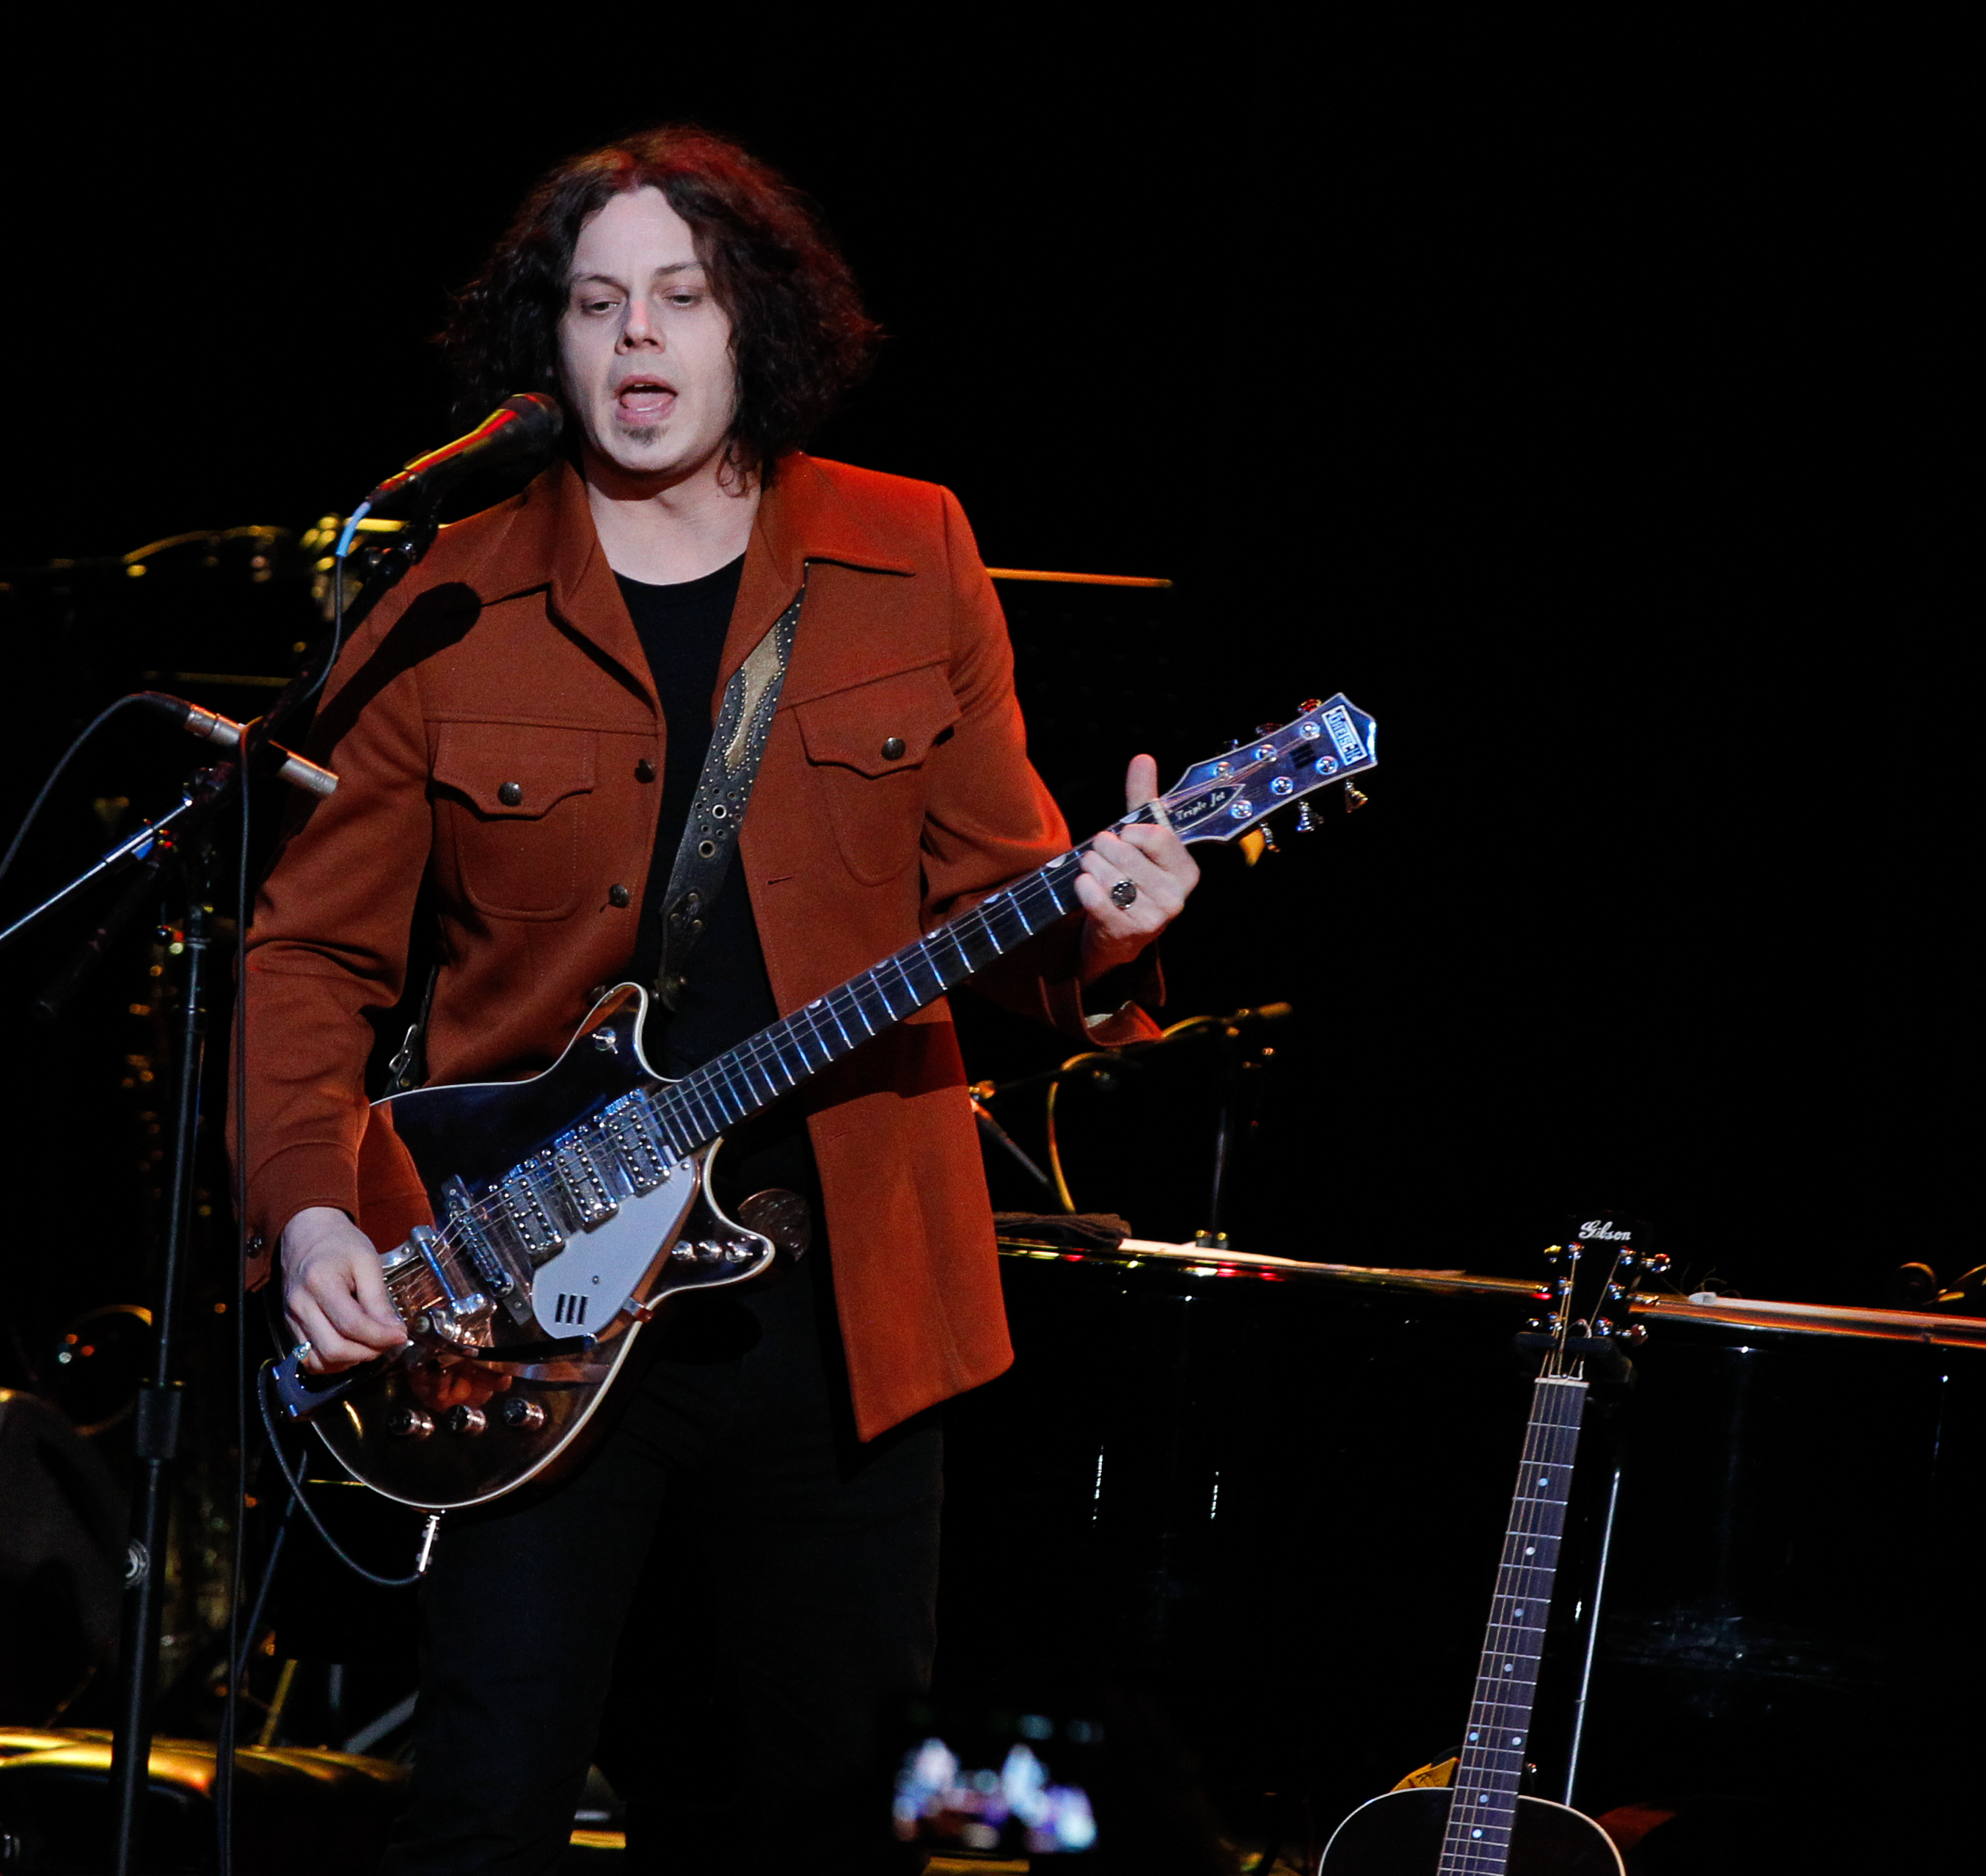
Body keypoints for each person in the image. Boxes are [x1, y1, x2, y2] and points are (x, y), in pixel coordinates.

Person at [240, 126, 1199, 1873]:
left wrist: (1107, 923)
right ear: (547, 342)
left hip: (845, 1297)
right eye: (596, 302)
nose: (638, 337)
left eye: (680, 297)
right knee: (485, 1807)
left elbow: (1011, 904)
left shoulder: (910, 549)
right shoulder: (449, 595)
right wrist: (309, 1210)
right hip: (527, 1296)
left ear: (753, 324)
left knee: (835, 1821)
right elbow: (310, 950)